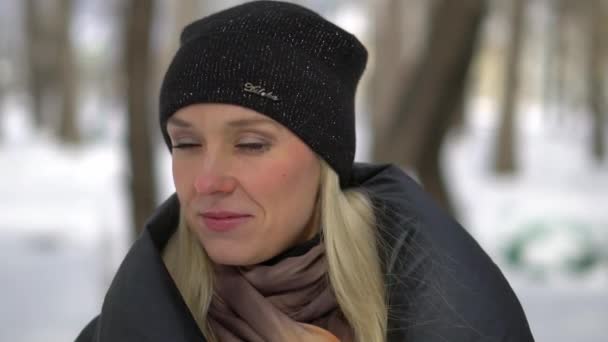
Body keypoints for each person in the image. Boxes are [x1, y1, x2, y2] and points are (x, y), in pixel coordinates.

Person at [75, 1, 534, 341]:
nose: (207, 181)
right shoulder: (129, 324)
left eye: (251, 144)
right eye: (187, 143)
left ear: (324, 160)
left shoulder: (439, 315)